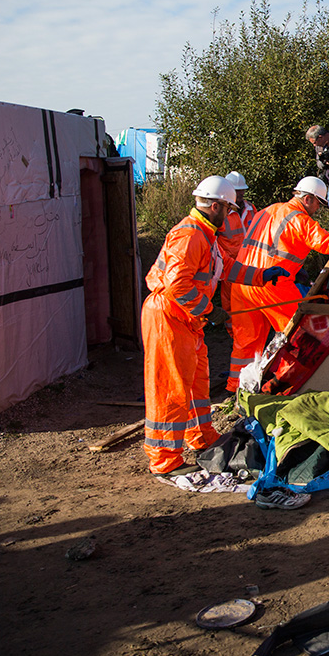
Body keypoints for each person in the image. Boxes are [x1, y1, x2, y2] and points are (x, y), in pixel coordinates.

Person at [141, 176, 234, 476]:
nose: (231, 215)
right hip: (169, 317)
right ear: (216, 206)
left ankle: (201, 437)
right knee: (171, 388)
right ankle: (165, 459)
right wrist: (211, 311)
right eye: (229, 209)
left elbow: (225, 269)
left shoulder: (205, 235)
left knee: (195, 382)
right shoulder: (192, 234)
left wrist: (262, 275)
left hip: (186, 320)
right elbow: (177, 285)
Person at [225, 177, 329, 392]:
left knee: (245, 341)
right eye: (318, 203)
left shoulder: (267, 211)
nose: (318, 210)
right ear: (307, 199)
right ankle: (286, 382)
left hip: (243, 281)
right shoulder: (299, 219)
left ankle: (237, 388)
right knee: (295, 334)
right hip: (272, 284)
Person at [217, 171, 258, 333]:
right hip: (229, 266)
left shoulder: (251, 209)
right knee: (229, 303)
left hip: (249, 264)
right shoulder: (223, 213)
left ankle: (249, 329)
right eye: (236, 190)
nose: (240, 194)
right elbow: (215, 241)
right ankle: (233, 332)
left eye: (242, 190)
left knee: (250, 300)